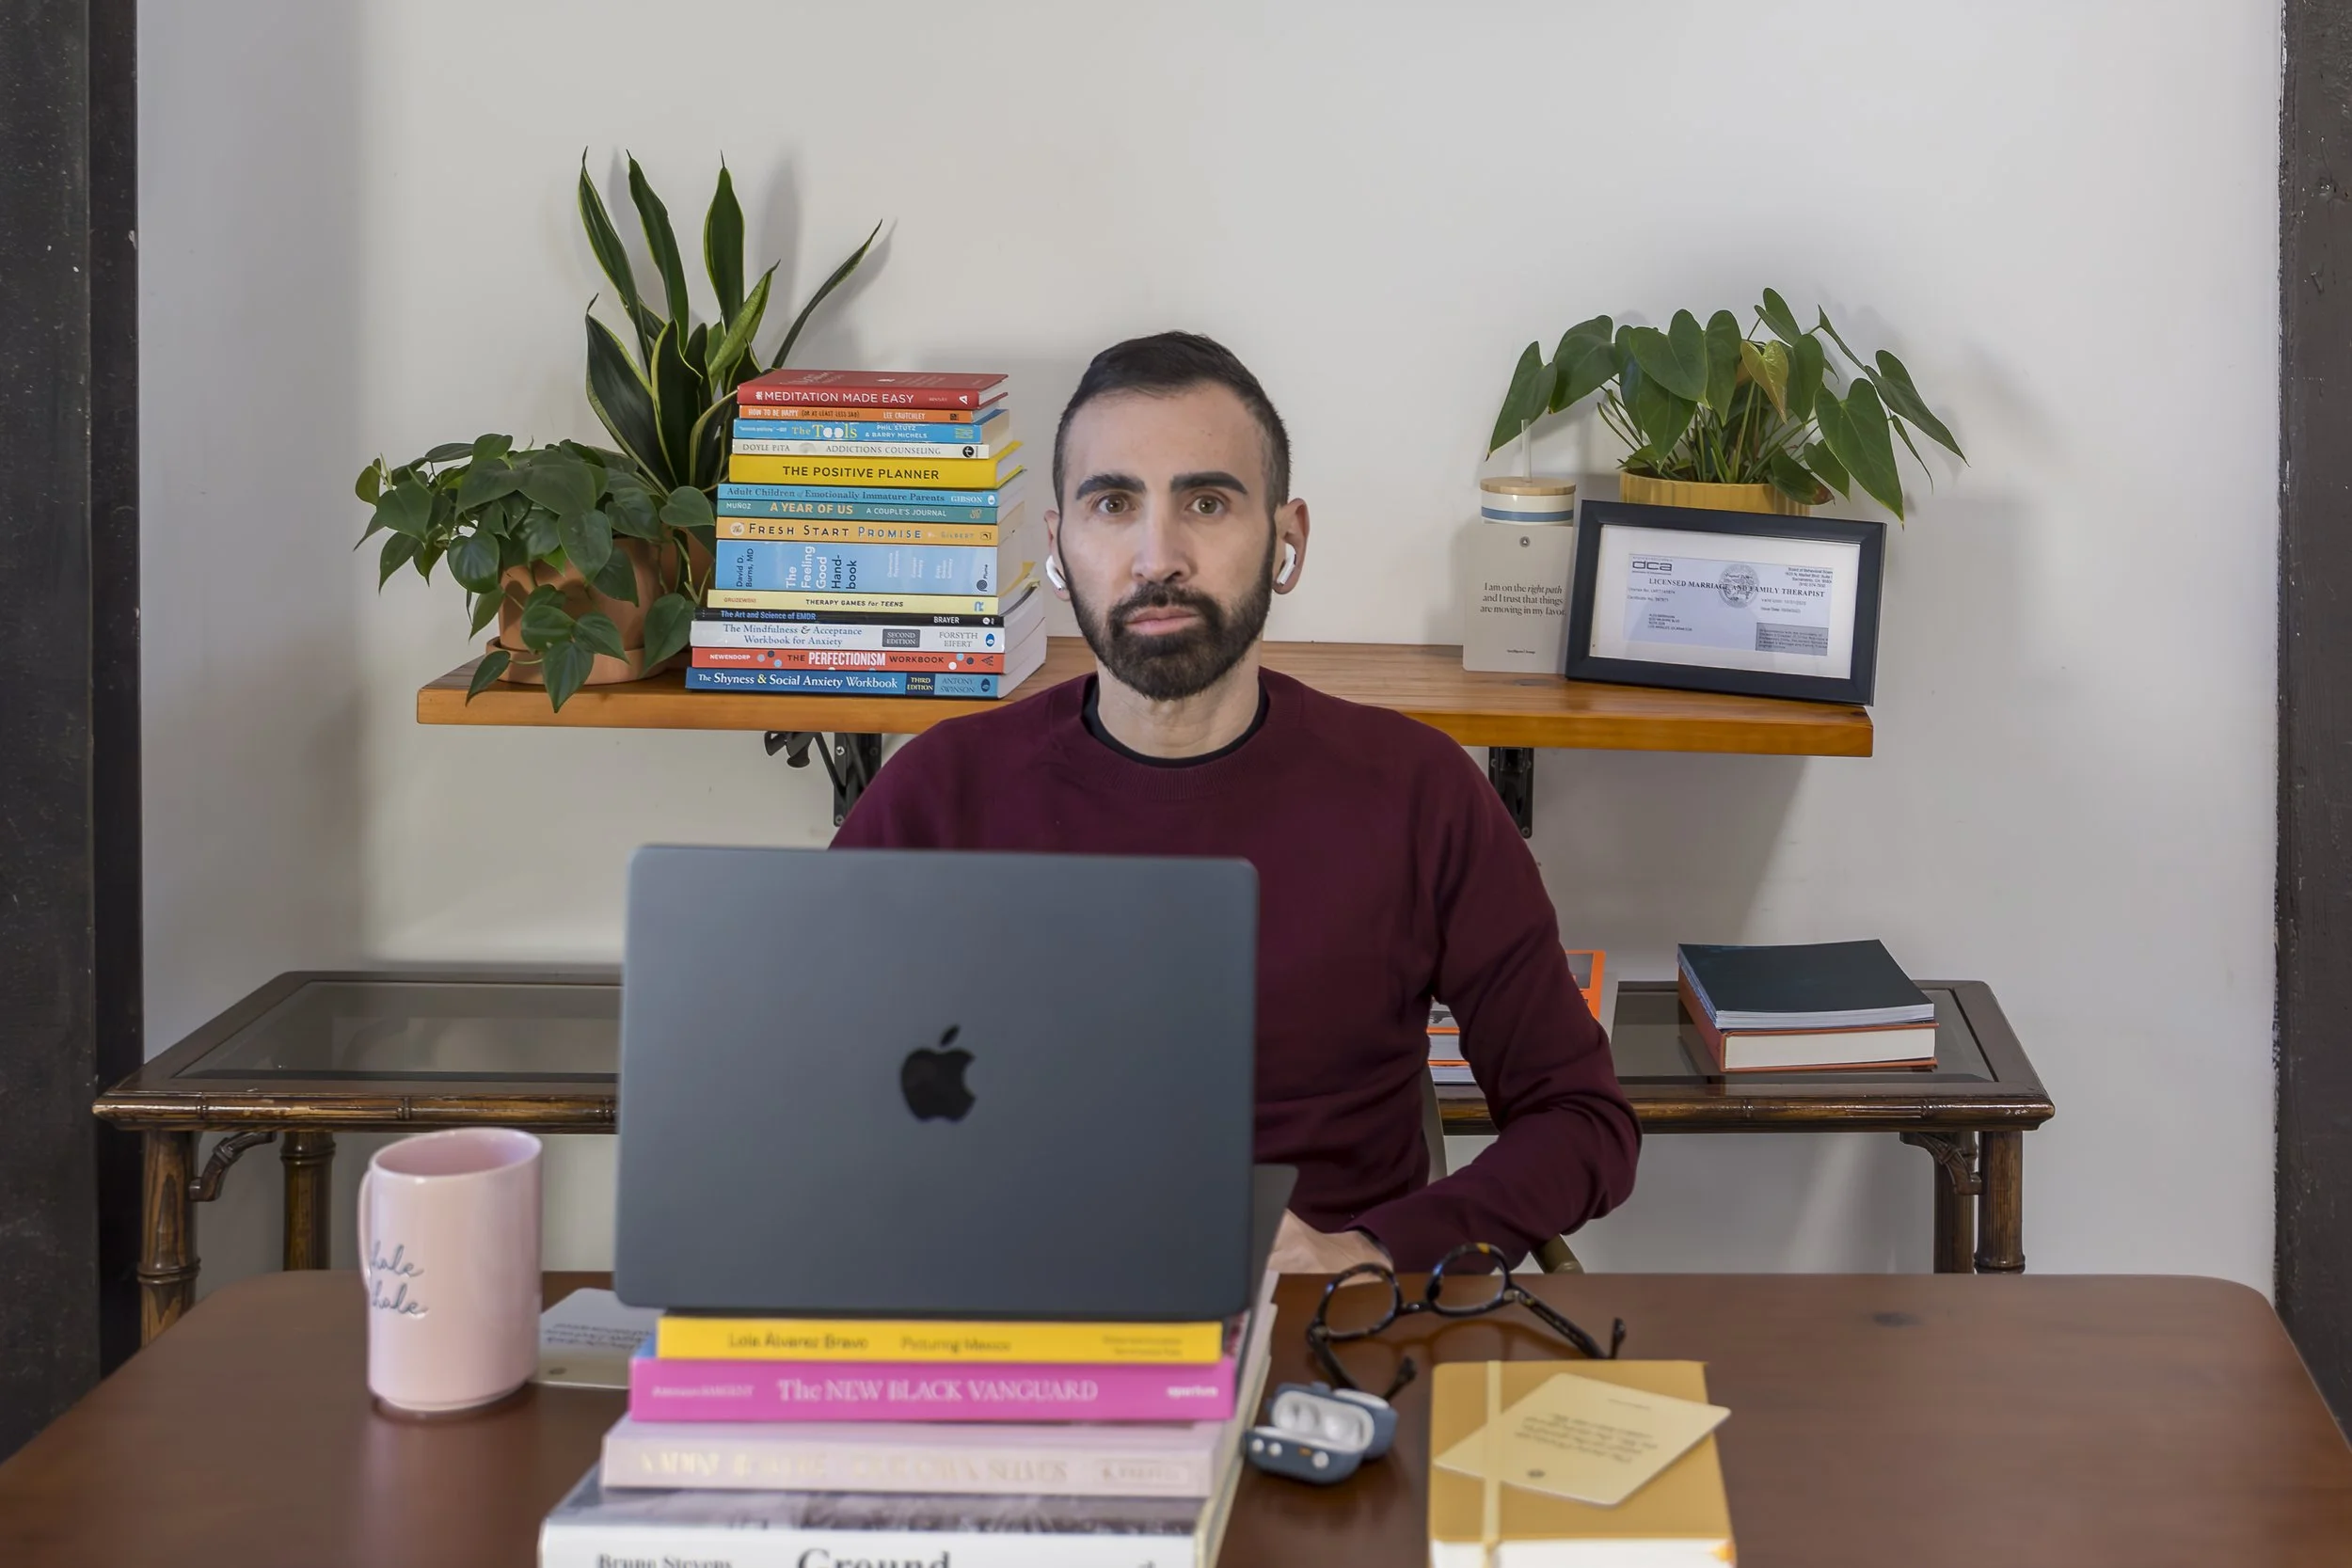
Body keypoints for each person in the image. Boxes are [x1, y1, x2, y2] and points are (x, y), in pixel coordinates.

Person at [834, 331, 1639, 1275]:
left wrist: (1370, 1248)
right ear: (1055, 545)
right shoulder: (937, 792)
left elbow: (1583, 1121)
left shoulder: (1419, 792)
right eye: (1113, 502)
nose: (1157, 554)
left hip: (1321, 1333)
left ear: (1285, 539)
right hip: (995, 1317)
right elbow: (800, 1098)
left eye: (1206, 501)